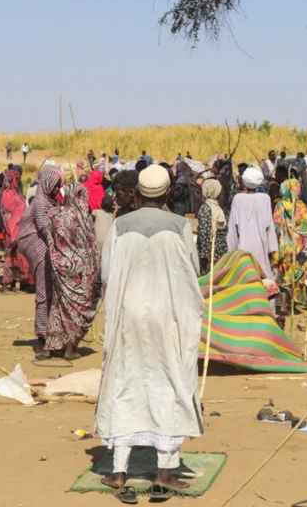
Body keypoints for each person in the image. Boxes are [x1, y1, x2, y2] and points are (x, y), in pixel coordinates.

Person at [96, 164, 204, 499]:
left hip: (128, 317)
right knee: (169, 381)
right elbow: (193, 272)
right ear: (168, 192)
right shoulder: (180, 226)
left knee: (124, 382)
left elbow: (107, 275)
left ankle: (118, 472)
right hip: (167, 318)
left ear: (139, 193)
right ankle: (164, 472)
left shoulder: (120, 226)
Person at [44, 183, 97, 360]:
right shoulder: (83, 218)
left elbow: (49, 240)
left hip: (58, 266)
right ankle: (69, 349)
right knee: (78, 309)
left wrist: (56, 259)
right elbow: (92, 247)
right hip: (79, 271)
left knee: (58, 307)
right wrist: (94, 268)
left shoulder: (53, 214)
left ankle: (50, 347)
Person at [18, 167, 63, 357]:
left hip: (43, 249)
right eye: (56, 185)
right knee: (46, 293)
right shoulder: (41, 203)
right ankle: (44, 340)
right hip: (41, 250)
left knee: (49, 292)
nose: (57, 189)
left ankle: (50, 335)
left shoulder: (45, 200)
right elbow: (46, 231)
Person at [227, 167, 279, 280]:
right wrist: (272, 248)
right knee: (262, 277)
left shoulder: (237, 199)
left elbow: (232, 229)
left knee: (244, 276)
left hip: (242, 246)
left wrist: (231, 250)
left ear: (244, 182)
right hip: (260, 245)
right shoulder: (265, 198)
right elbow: (269, 226)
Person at [272, 178, 307, 309]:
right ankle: (292, 302)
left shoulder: (280, 205)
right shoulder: (303, 207)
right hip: (298, 247)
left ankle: (283, 304)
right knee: (295, 274)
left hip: (283, 246)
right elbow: (306, 228)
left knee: (283, 273)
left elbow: (276, 226)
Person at [0, 169, 30, 293]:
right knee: (9, 257)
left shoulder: (18, 193)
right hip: (10, 232)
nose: (19, 181)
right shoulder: (6, 195)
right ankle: (5, 285)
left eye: (19, 178)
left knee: (19, 257)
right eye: (17, 179)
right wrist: (13, 234)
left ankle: (15, 283)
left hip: (20, 230)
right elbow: (7, 216)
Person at [196, 179, 228, 275]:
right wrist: (206, 257)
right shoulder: (207, 209)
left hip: (218, 252)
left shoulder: (215, 207)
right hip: (211, 255)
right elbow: (204, 233)